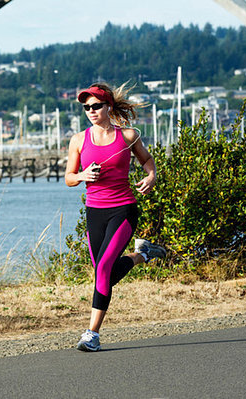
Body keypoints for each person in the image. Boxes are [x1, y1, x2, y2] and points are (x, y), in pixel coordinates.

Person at [64, 82, 166, 352]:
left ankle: (92, 334)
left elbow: (146, 160)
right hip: (94, 212)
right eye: (86, 107)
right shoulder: (78, 140)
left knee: (103, 269)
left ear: (108, 106)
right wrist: (82, 176)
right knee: (101, 272)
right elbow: (68, 178)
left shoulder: (128, 136)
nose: (91, 111)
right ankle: (142, 255)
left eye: (96, 106)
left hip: (123, 210)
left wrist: (151, 176)